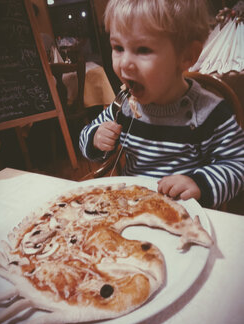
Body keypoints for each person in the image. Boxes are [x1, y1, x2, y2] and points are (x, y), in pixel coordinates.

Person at [79, 0, 244, 209]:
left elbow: (237, 165)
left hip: (184, 215)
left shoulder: (208, 112)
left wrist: (199, 183)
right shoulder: (124, 105)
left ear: (187, 56)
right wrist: (95, 137)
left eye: (143, 50)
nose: (124, 63)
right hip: (132, 207)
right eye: (118, 48)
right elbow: (84, 136)